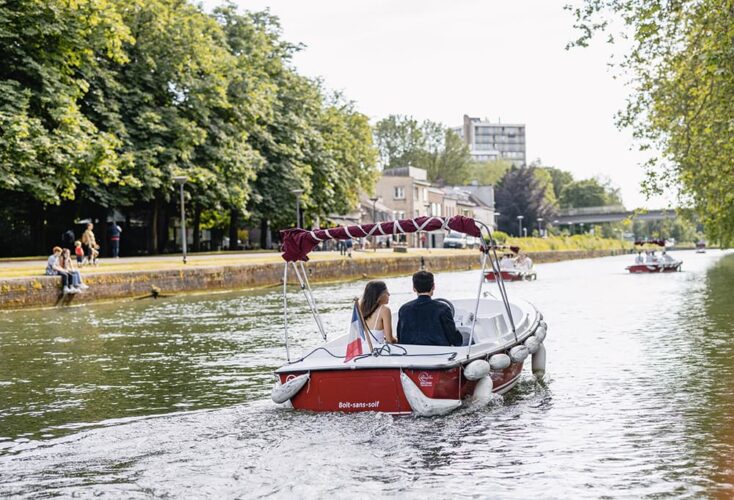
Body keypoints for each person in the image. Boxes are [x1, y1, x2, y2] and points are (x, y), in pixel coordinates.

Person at [397, 271, 463, 346]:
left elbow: (400, 337)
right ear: (433, 286)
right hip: (440, 353)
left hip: (410, 354)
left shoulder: (403, 309)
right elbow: (455, 340)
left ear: (414, 288)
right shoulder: (443, 309)